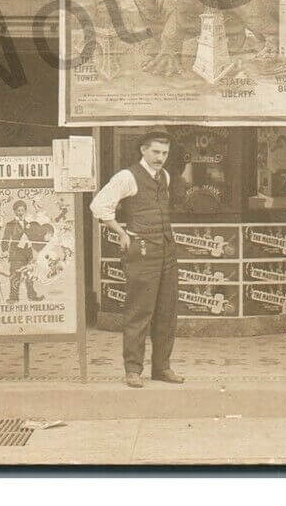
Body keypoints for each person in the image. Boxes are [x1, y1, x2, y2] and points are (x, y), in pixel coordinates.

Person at [89, 129, 184, 387]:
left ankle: (162, 368)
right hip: (141, 251)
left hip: (167, 251)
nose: (160, 157)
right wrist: (120, 231)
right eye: (155, 152)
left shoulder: (163, 175)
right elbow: (99, 205)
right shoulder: (127, 176)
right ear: (143, 150)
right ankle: (133, 370)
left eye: (164, 153)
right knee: (139, 312)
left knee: (167, 312)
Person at [1, 200, 47, 303]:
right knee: (15, 275)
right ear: (14, 211)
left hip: (28, 254)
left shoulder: (29, 224)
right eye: (18, 210)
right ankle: (13, 298)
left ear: (25, 211)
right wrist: (4, 250)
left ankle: (32, 296)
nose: (20, 212)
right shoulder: (10, 224)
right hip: (16, 253)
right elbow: (5, 238)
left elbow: (34, 237)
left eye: (22, 210)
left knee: (30, 275)